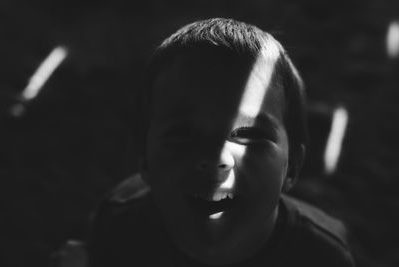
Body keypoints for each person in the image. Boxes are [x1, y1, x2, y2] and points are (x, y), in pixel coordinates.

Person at [88, 18, 355, 267]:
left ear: (293, 166)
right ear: (144, 158)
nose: (216, 158)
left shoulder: (323, 256)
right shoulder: (117, 226)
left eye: (249, 134)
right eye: (182, 133)